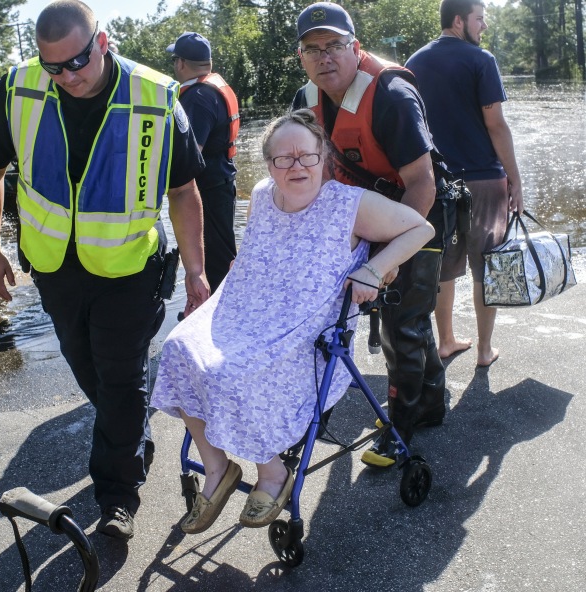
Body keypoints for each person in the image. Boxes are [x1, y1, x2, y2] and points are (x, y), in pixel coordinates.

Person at [0, 0, 209, 540]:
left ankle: (117, 496)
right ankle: (133, 437)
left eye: (76, 63)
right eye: (53, 66)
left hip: (130, 266)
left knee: (121, 374)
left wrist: (196, 271)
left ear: (102, 42)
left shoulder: (156, 96)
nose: (66, 77)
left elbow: (184, 191)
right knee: (88, 366)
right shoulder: (18, 88)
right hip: (56, 267)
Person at [151, 110, 434, 534]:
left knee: (231, 371)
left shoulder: (348, 205)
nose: (297, 166)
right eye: (284, 158)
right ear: (269, 164)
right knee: (177, 348)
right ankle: (217, 468)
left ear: (324, 158)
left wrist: (375, 269)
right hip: (244, 310)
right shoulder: (264, 194)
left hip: (305, 326)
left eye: (307, 156)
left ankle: (272, 473)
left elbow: (421, 228)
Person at [291, 2, 457, 468]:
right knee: (410, 316)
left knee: (398, 320)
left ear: (355, 47)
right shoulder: (305, 101)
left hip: (419, 210)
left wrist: (391, 260)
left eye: (335, 46)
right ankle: (431, 401)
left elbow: (422, 182)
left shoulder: (392, 94)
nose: (325, 57)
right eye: (312, 49)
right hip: (367, 214)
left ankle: (401, 425)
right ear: (301, 56)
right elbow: (303, 173)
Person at [406, 0, 523, 367]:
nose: (484, 25)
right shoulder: (481, 60)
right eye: (480, 18)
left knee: (444, 264)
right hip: (484, 179)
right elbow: (497, 125)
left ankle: (446, 341)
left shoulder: (413, 63)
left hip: (438, 182)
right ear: (459, 21)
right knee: (486, 265)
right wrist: (515, 179)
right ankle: (485, 350)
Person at [166, 32, 240, 290]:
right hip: (221, 180)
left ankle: (220, 312)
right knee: (221, 252)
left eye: (175, 60)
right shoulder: (213, 86)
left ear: (181, 63)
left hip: (206, 190)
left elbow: (191, 153)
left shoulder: (197, 98)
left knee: (215, 260)